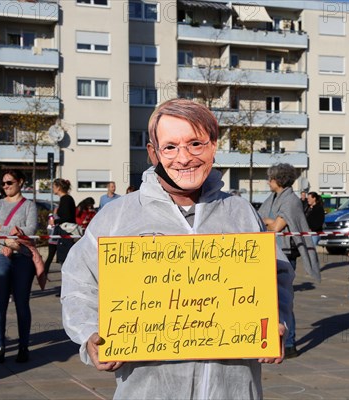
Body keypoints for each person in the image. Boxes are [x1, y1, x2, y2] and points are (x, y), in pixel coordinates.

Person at [61, 98, 294, 399]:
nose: (184, 158)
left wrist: (277, 324)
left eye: (196, 144)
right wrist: (90, 335)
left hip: (232, 387)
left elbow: (277, 278)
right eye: (170, 147)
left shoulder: (240, 212)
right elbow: (79, 283)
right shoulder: (117, 217)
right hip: (148, 389)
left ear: (213, 147)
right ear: (153, 152)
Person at [258, 163, 320, 359]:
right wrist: (269, 220)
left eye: (270, 178)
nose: (268, 182)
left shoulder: (290, 201)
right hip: (270, 251)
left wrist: (269, 221)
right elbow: (261, 219)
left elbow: (276, 226)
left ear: (278, 180)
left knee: (283, 298)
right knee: (271, 299)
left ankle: (290, 342)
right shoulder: (273, 198)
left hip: (285, 254)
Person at [0, 169, 40, 364]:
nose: (6, 186)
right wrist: (8, 239)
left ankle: (23, 347)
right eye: (4, 183)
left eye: (10, 182)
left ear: (20, 182)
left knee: (22, 303)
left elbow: (30, 231)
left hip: (22, 258)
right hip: (0, 256)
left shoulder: (29, 206)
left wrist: (0, 229)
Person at [50, 178, 76, 272]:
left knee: (65, 258)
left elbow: (67, 216)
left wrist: (55, 221)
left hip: (66, 232)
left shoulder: (66, 199)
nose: (52, 189)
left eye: (53, 187)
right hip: (64, 232)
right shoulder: (65, 199)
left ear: (59, 188)